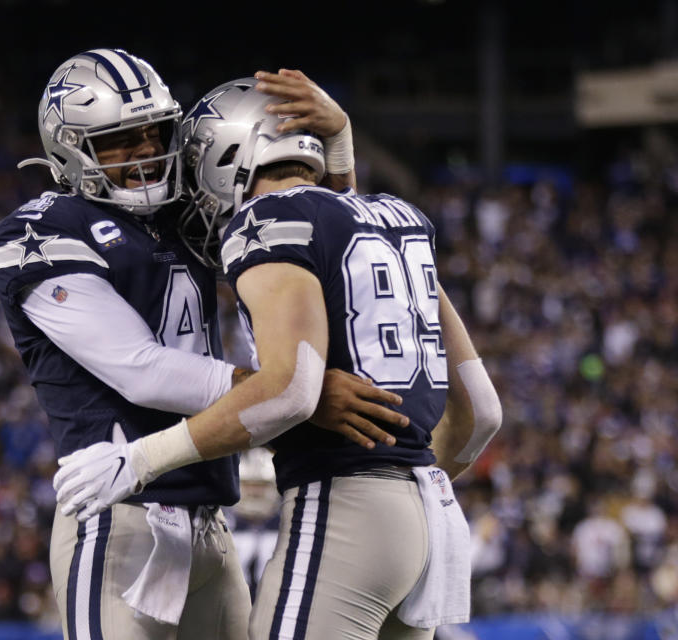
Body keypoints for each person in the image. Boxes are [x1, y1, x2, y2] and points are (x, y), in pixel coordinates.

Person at [54, 78, 502, 639]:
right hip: (429, 511)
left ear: (228, 151)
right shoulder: (399, 219)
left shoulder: (262, 223)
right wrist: (402, 481)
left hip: (342, 504)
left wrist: (140, 460)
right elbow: (483, 412)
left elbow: (292, 392)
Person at [0, 50, 409, 640]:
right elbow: (142, 370)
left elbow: (326, 238)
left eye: (152, 131)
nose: (143, 151)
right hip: (124, 517)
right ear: (69, 146)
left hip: (213, 521)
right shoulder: (43, 229)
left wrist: (338, 147)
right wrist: (297, 392)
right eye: (117, 140)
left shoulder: (185, 216)